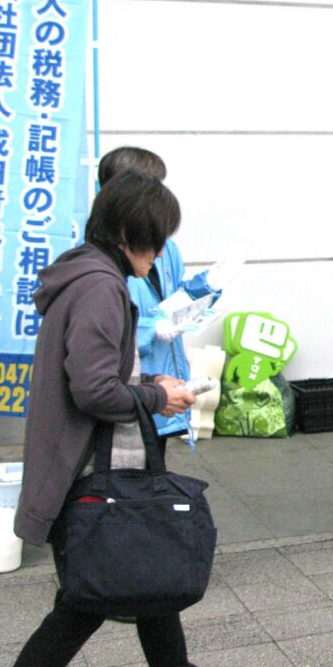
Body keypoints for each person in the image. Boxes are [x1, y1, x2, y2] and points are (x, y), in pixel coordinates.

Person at [6, 170, 220, 667]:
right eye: (156, 237)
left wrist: (150, 381)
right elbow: (94, 391)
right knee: (86, 603)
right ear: (127, 233)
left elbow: (92, 374)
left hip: (79, 463)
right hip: (88, 469)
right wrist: (157, 397)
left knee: (150, 584)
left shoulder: (84, 275)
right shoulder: (101, 287)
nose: (160, 251)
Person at [97, 147, 225, 447]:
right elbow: (105, 331)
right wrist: (150, 329)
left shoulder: (167, 247)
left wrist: (207, 287)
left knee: (154, 463)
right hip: (126, 392)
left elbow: (175, 298)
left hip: (164, 383)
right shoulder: (99, 259)